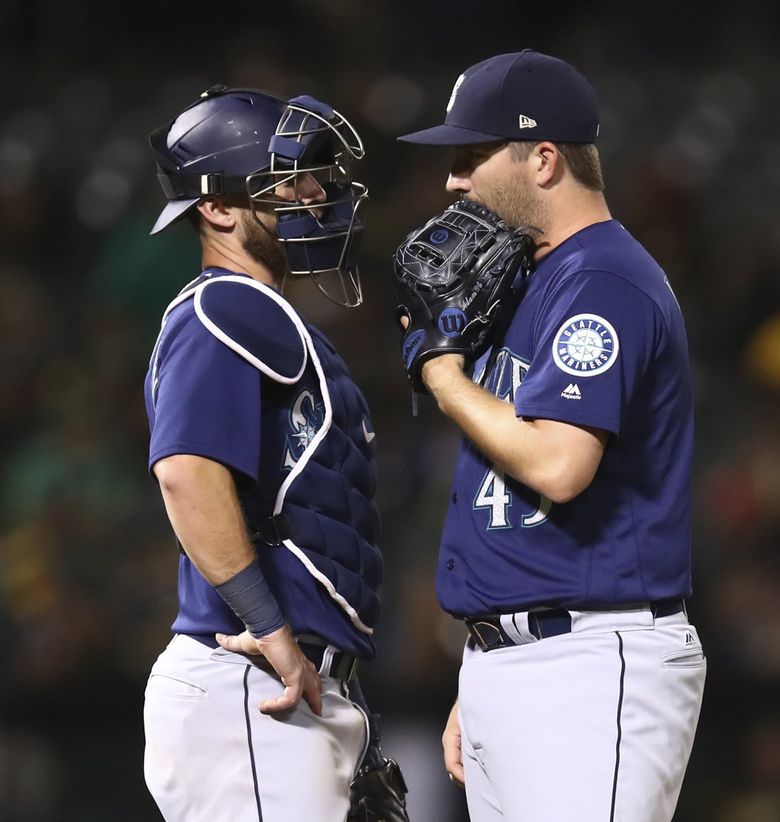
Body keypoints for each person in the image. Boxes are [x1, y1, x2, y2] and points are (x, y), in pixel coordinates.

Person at [396, 50, 706, 822]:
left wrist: (443, 376)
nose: (452, 181)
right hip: (522, 661)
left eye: (470, 156)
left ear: (543, 158)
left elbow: (559, 464)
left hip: (588, 663)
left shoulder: (602, 279)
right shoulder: (531, 279)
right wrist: (489, 664)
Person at [142, 85, 387, 821]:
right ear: (217, 206)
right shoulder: (221, 307)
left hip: (288, 682)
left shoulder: (268, 316)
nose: (315, 193)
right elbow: (186, 474)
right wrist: (275, 631)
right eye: (288, 180)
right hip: (251, 677)